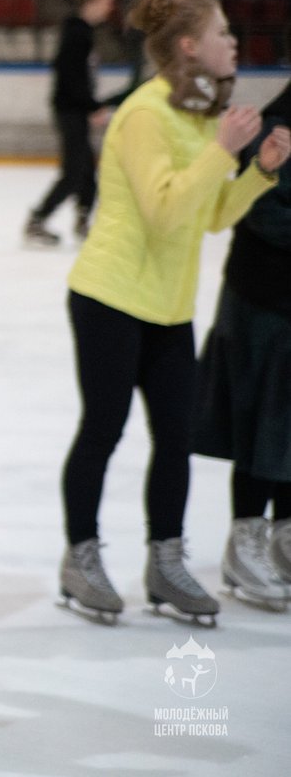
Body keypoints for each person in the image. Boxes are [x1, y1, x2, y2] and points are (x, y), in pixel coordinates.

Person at [59, 0, 290, 626]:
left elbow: (209, 215)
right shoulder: (145, 114)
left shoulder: (197, 117)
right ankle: (80, 557)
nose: (234, 43)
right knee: (104, 429)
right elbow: (164, 209)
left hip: (168, 308)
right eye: (223, 33)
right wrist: (223, 151)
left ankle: (165, 562)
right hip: (110, 298)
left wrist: (257, 173)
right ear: (189, 46)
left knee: (176, 437)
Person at [193, 75, 291, 609]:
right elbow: (264, 212)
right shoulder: (273, 128)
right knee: (261, 423)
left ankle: (285, 535)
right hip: (262, 306)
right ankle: (247, 536)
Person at [24, 0, 121, 246]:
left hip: (75, 109)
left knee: (86, 171)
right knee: (74, 172)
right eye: (107, 1)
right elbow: (70, 76)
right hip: (70, 111)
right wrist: (92, 106)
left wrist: (90, 106)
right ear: (92, 0)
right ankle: (38, 220)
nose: (110, 7)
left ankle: (82, 221)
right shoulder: (77, 33)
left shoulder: (82, 32)